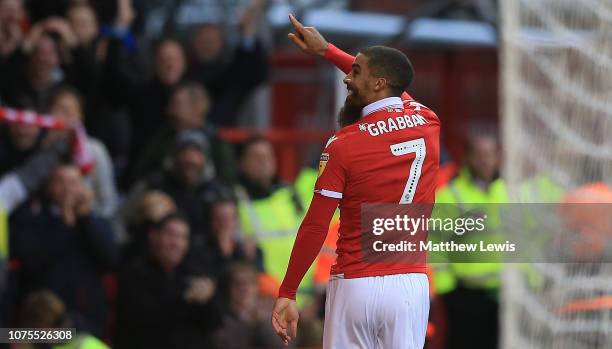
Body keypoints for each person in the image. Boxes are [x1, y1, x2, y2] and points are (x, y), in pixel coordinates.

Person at [271, 15, 440, 348]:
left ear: (378, 83)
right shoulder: (427, 120)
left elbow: (316, 226)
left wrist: (288, 291)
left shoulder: (342, 145)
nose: (348, 77)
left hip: (356, 284)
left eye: (357, 71)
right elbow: (395, 85)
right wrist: (328, 50)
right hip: (409, 286)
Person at [9, 163, 119, 337]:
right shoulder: (30, 220)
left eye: (74, 182)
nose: (67, 188)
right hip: (41, 320)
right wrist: (64, 222)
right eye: (60, 181)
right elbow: (31, 262)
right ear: (49, 187)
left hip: (86, 319)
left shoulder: (96, 221)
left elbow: (110, 259)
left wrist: (85, 220)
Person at [115, 213, 222, 349]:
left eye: (183, 237)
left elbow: (214, 323)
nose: (176, 243)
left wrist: (207, 300)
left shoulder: (195, 271)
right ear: (154, 236)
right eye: (170, 235)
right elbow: (144, 320)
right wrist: (186, 299)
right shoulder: (134, 272)